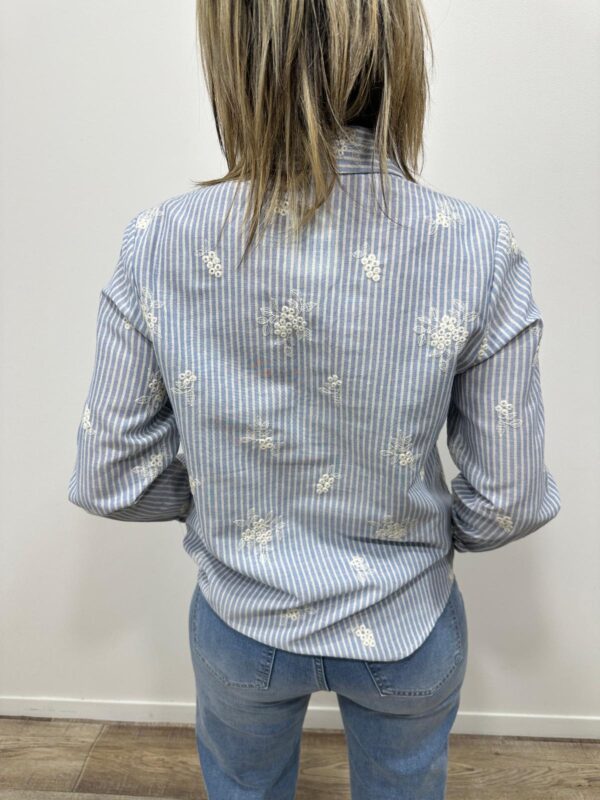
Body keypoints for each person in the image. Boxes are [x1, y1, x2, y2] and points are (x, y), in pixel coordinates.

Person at [67, 1, 561, 797]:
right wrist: (421, 537)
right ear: (398, 53)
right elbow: (510, 499)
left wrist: (221, 506)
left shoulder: (158, 241)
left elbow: (110, 477)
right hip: (407, 626)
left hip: (243, 622)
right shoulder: (477, 248)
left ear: (232, 59)